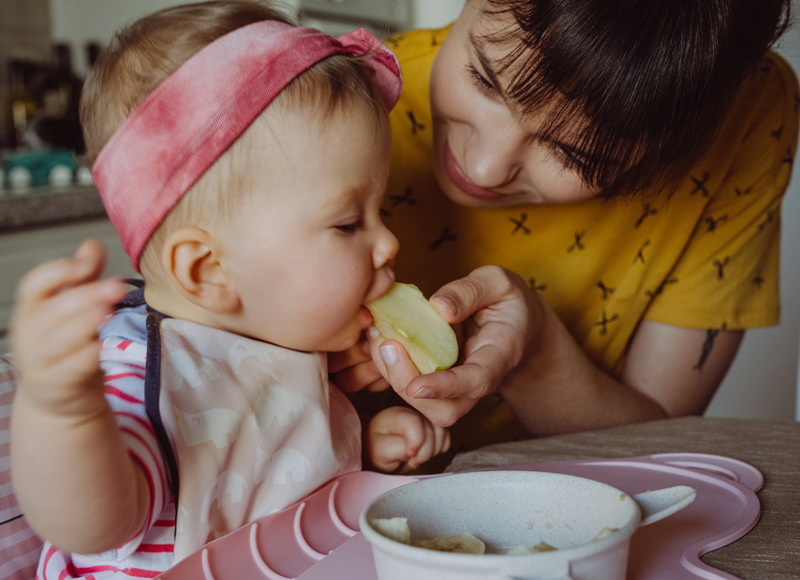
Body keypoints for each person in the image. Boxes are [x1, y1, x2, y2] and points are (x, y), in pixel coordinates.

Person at [9, 1, 450, 577]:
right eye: (348, 223)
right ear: (207, 271)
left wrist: (366, 450)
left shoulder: (289, 347)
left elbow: (275, 489)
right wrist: (65, 413)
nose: (388, 243)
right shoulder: (143, 369)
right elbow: (95, 525)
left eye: (379, 211)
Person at [331, 0, 799, 452]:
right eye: (484, 79)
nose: (482, 169)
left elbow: (661, 446)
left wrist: (533, 355)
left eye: (573, 152)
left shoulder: (749, 114)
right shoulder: (328, 107)